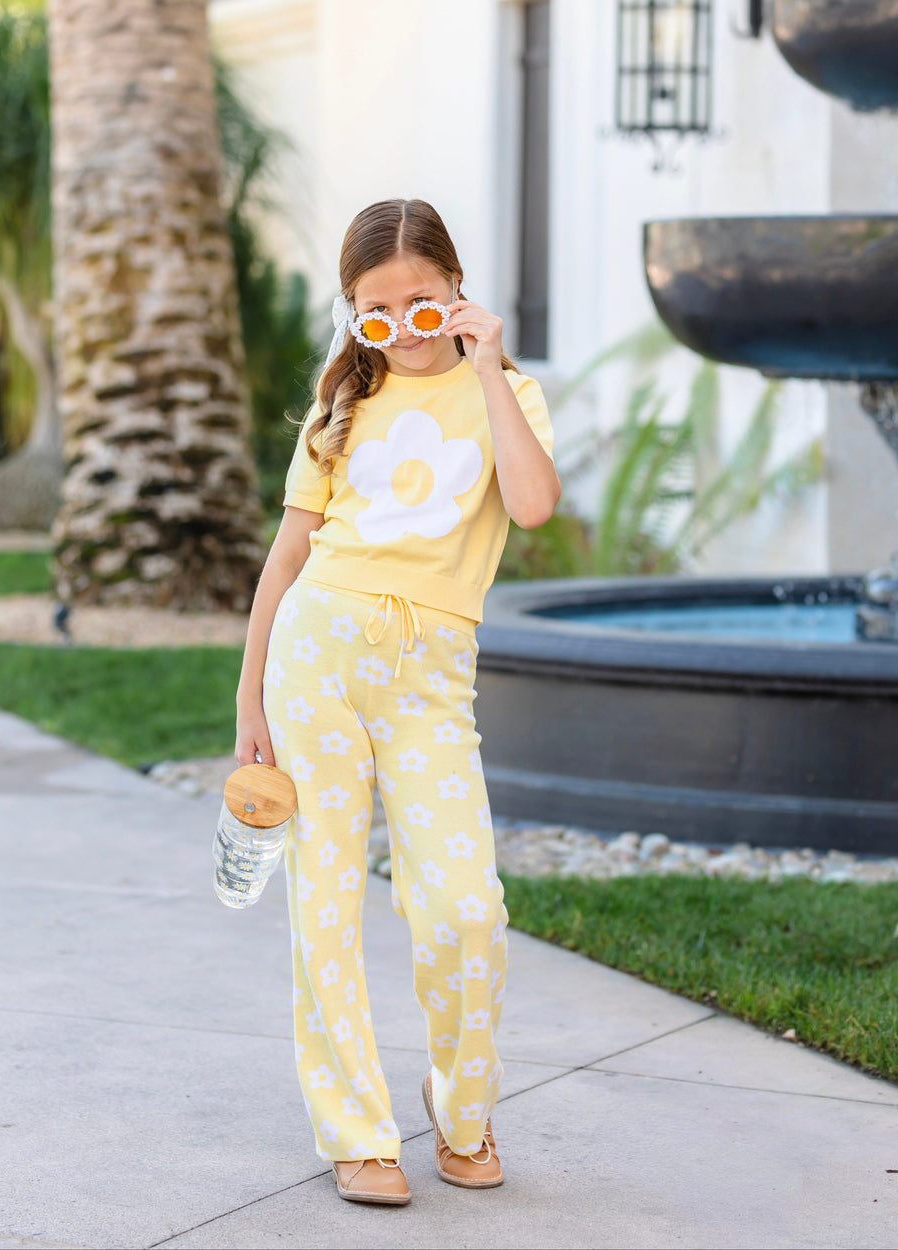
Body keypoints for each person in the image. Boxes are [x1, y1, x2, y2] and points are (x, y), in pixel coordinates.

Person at [234, 198, 559, 1206]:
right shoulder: (341, 405)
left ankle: (462, 1108)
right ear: (355, 318)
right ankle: (357, 1128)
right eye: (377, 314)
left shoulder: (506, 391)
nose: (405, 327)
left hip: (429, 672)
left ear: (456, 290)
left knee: (466, 906)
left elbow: (536, 503)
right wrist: (250, 699)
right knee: (323, 895)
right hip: (315, 654)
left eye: (423, 303)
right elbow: (286, 556)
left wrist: (491, 365)